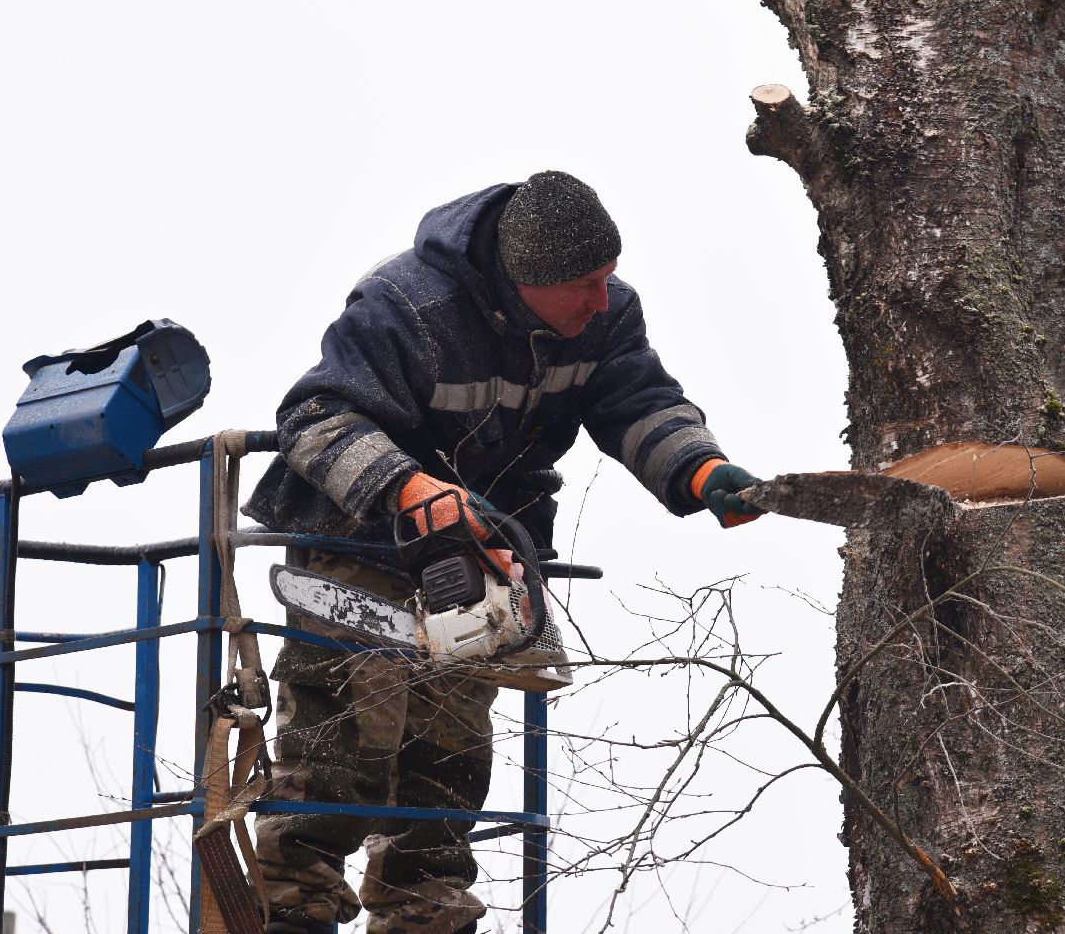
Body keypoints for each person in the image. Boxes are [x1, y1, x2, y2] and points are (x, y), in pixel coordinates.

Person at [242, 170, 765, 934]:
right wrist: (409, 487)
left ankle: (427, 914)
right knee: (346, 742)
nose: (601, 298)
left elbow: (641, 403)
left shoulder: (607, 317)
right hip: (357, 539)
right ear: (527, 280)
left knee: (449, 753)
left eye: (607, 278)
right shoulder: (409, 305)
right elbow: (316, 416)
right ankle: (292, 903)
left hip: (484, 555)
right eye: (585, 284)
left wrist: (699, 468)